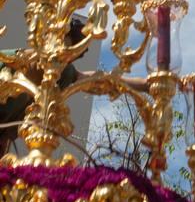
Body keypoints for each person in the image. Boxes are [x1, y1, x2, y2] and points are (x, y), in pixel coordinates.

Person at [0, 17, 148, 156]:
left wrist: (145, 84)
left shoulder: (63, 74)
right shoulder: (7, 62)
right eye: (58, 47)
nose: (58, 59)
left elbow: (100, 80)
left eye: (68, 56)